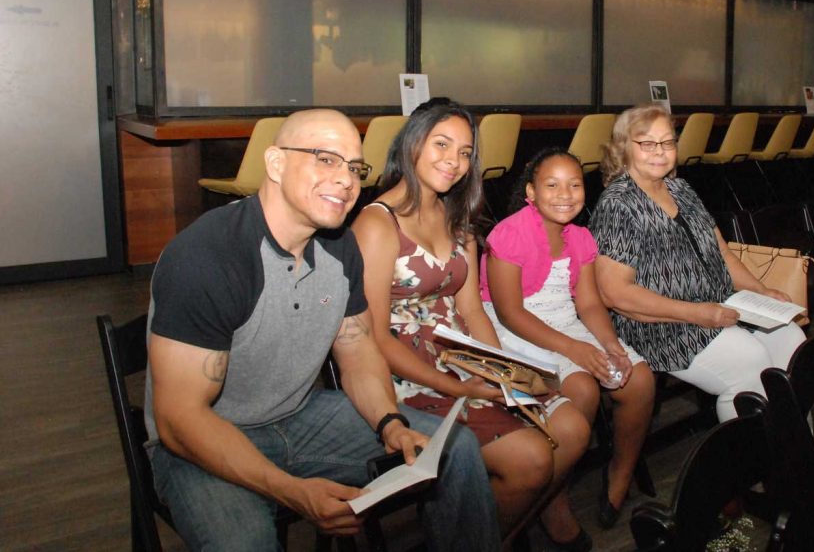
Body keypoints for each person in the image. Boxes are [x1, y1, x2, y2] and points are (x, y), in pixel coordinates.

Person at [144, 108, 501, 551]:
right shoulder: (208, 256)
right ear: (275, 164)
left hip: (300, 416)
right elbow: (178, 419)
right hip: (202, 438)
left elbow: (357, 355)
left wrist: (390, 423)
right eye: (325, 158)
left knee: (455, 451)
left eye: (354, 167)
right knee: (248, 541)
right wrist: (292, 490)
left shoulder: (339, 248)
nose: (347, 179)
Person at [351, 100, 592, 550]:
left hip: (464, 357)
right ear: (411, 143)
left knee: (575, 428)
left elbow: (475, 312)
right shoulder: (376, 223)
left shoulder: (456, 221)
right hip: (405, 373)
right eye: (442, 144)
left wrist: (503, 370)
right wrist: (459, 386)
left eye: (465, 152)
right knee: (533, 459)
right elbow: (373, 335)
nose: (454, 161)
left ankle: (484, 535)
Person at [589, 104, 807, 422]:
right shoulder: (618, 204)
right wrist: (699, 314)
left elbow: (722, 252)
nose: (660, 151)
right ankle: (752, 460)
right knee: (750, 360)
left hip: (718, 305)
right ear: (624, 147)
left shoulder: (682, 189)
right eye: (647, 143)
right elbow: (615, 295)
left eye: (667, 142)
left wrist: (761, 291)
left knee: (791, 340)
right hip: (660, 326)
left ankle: (796, 448)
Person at [480, 147, 655, 529]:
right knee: (582, 387)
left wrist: (609, 343)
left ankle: (620, 474)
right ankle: (554, 498)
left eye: (575, 185)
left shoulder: (580, 237)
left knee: (639, 379)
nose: (565, 194)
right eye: (552, 185)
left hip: (565, 318)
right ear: (531, 192)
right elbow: (510, 313)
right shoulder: (508, 234)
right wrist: (575, 348)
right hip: (516, 326)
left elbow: (590, 304)